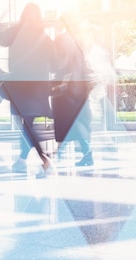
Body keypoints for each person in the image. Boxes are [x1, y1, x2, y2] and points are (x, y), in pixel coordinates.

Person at [0, 2, 55, 176]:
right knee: (28, 124)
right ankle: (29, 159)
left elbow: (0, 39)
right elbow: (53, 62)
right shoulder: (43, 36)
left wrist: (1, 20)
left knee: (27, 124)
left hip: (22, 86)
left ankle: (42, 159)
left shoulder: (16, 31)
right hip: (37, 87)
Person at [51, 14, 95, 167]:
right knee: (74, 121)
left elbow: (60, 64)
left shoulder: (62, 39)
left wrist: (62, 83)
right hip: (78, 87)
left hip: (68, 88)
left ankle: (84, 152)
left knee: (69, 121)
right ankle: (64, 151)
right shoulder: (78, 40)